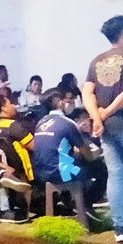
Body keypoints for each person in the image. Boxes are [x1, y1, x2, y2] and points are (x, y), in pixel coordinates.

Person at [82, 15, 123, 242]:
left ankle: (121, 230)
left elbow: (87, 92)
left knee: (115, 175)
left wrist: (97, 117)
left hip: (107, 129)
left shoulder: (96, 61)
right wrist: (104, 114)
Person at [33, 91, 107, 219]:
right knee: (101, 168)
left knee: (75, 162)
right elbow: (87, 155)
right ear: (60, 102)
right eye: (69, 99)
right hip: (60, 172)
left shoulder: (40, 123)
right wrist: (99, 152)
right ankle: (85, 204)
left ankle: (68, 201)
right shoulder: (68, 123)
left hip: (41, 173)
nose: (72, 102)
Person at [0, 95, 36, 221]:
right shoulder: (14, 126)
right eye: (11, 103)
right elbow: (35, 146)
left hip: (7, 166)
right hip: (21, 167)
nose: (14, 106)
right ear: (3, 108)